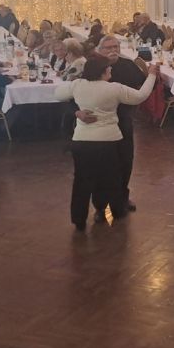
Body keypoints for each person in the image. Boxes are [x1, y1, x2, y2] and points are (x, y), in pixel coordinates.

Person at [55, 54, 158, 229]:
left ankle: (78, 220)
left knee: (81, 180)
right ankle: (109, 212)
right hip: (108, 141)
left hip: (82, 140)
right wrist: (152, 75)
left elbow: (57, 94)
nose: (111, 69)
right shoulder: (114, 89)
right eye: (108, 67)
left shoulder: (77, 85)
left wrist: (77, 111)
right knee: (109, 179)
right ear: (103, 71)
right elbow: (141, 95)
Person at [95, 35, 147, 213]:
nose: (113, 51)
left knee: (125, 159)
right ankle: (101, 206)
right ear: (100, 50)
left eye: (115, 47)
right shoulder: (93, 67)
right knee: (102, 163)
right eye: (108, 48)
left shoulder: (128, 65)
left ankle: (122, 197)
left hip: (124, 118)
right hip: (100, 121)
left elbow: (142, 85)